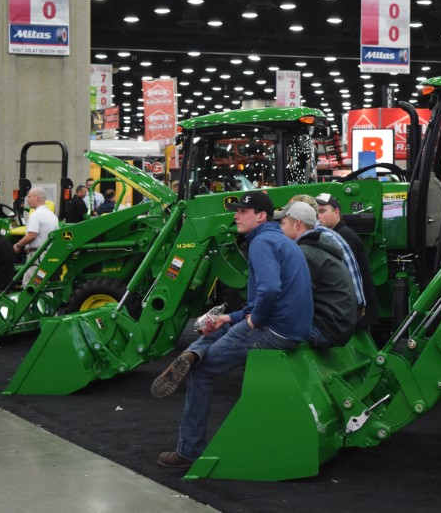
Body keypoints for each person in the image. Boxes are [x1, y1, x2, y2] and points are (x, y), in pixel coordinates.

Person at [151, 191, 313, 468]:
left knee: (201, 373)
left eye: (242, 211)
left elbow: (270, 290)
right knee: (219, 327)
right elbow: (267, 298)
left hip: (275, 331)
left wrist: (252, 320)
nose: (236, 215)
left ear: (260, 216)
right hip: (289, 327)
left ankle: (187, 451)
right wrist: (233, 318)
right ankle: (194, 352)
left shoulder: (261, 243)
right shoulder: (278, 240)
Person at [274, 201, 357, 347]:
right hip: (338, 326)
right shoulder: (319, 244)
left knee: (259, 333)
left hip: (325, 330)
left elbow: (293, 299)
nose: (280, 229)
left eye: (283, 223)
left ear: (297, 224)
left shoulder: (304, 254)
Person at [288, 194, 366, 316]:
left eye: (322, 211)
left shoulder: (318, 238)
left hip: (341, 315)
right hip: (349, 310)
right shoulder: (330, 234)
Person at [315, 192, 380, 328]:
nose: (318, 216)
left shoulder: (343, 237)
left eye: (322, 211)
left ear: (336, 212)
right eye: (315, 213)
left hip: (357, 314)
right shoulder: (340, 234)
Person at [13, 187, 59, 286]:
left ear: (36, 198)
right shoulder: (53, 216)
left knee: (30, 285)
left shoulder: (35, 215)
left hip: (36, 256)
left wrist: (18, 245)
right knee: (42, 284)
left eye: (29, 197)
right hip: (47, 255)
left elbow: (31, 235)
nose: (27, 199)